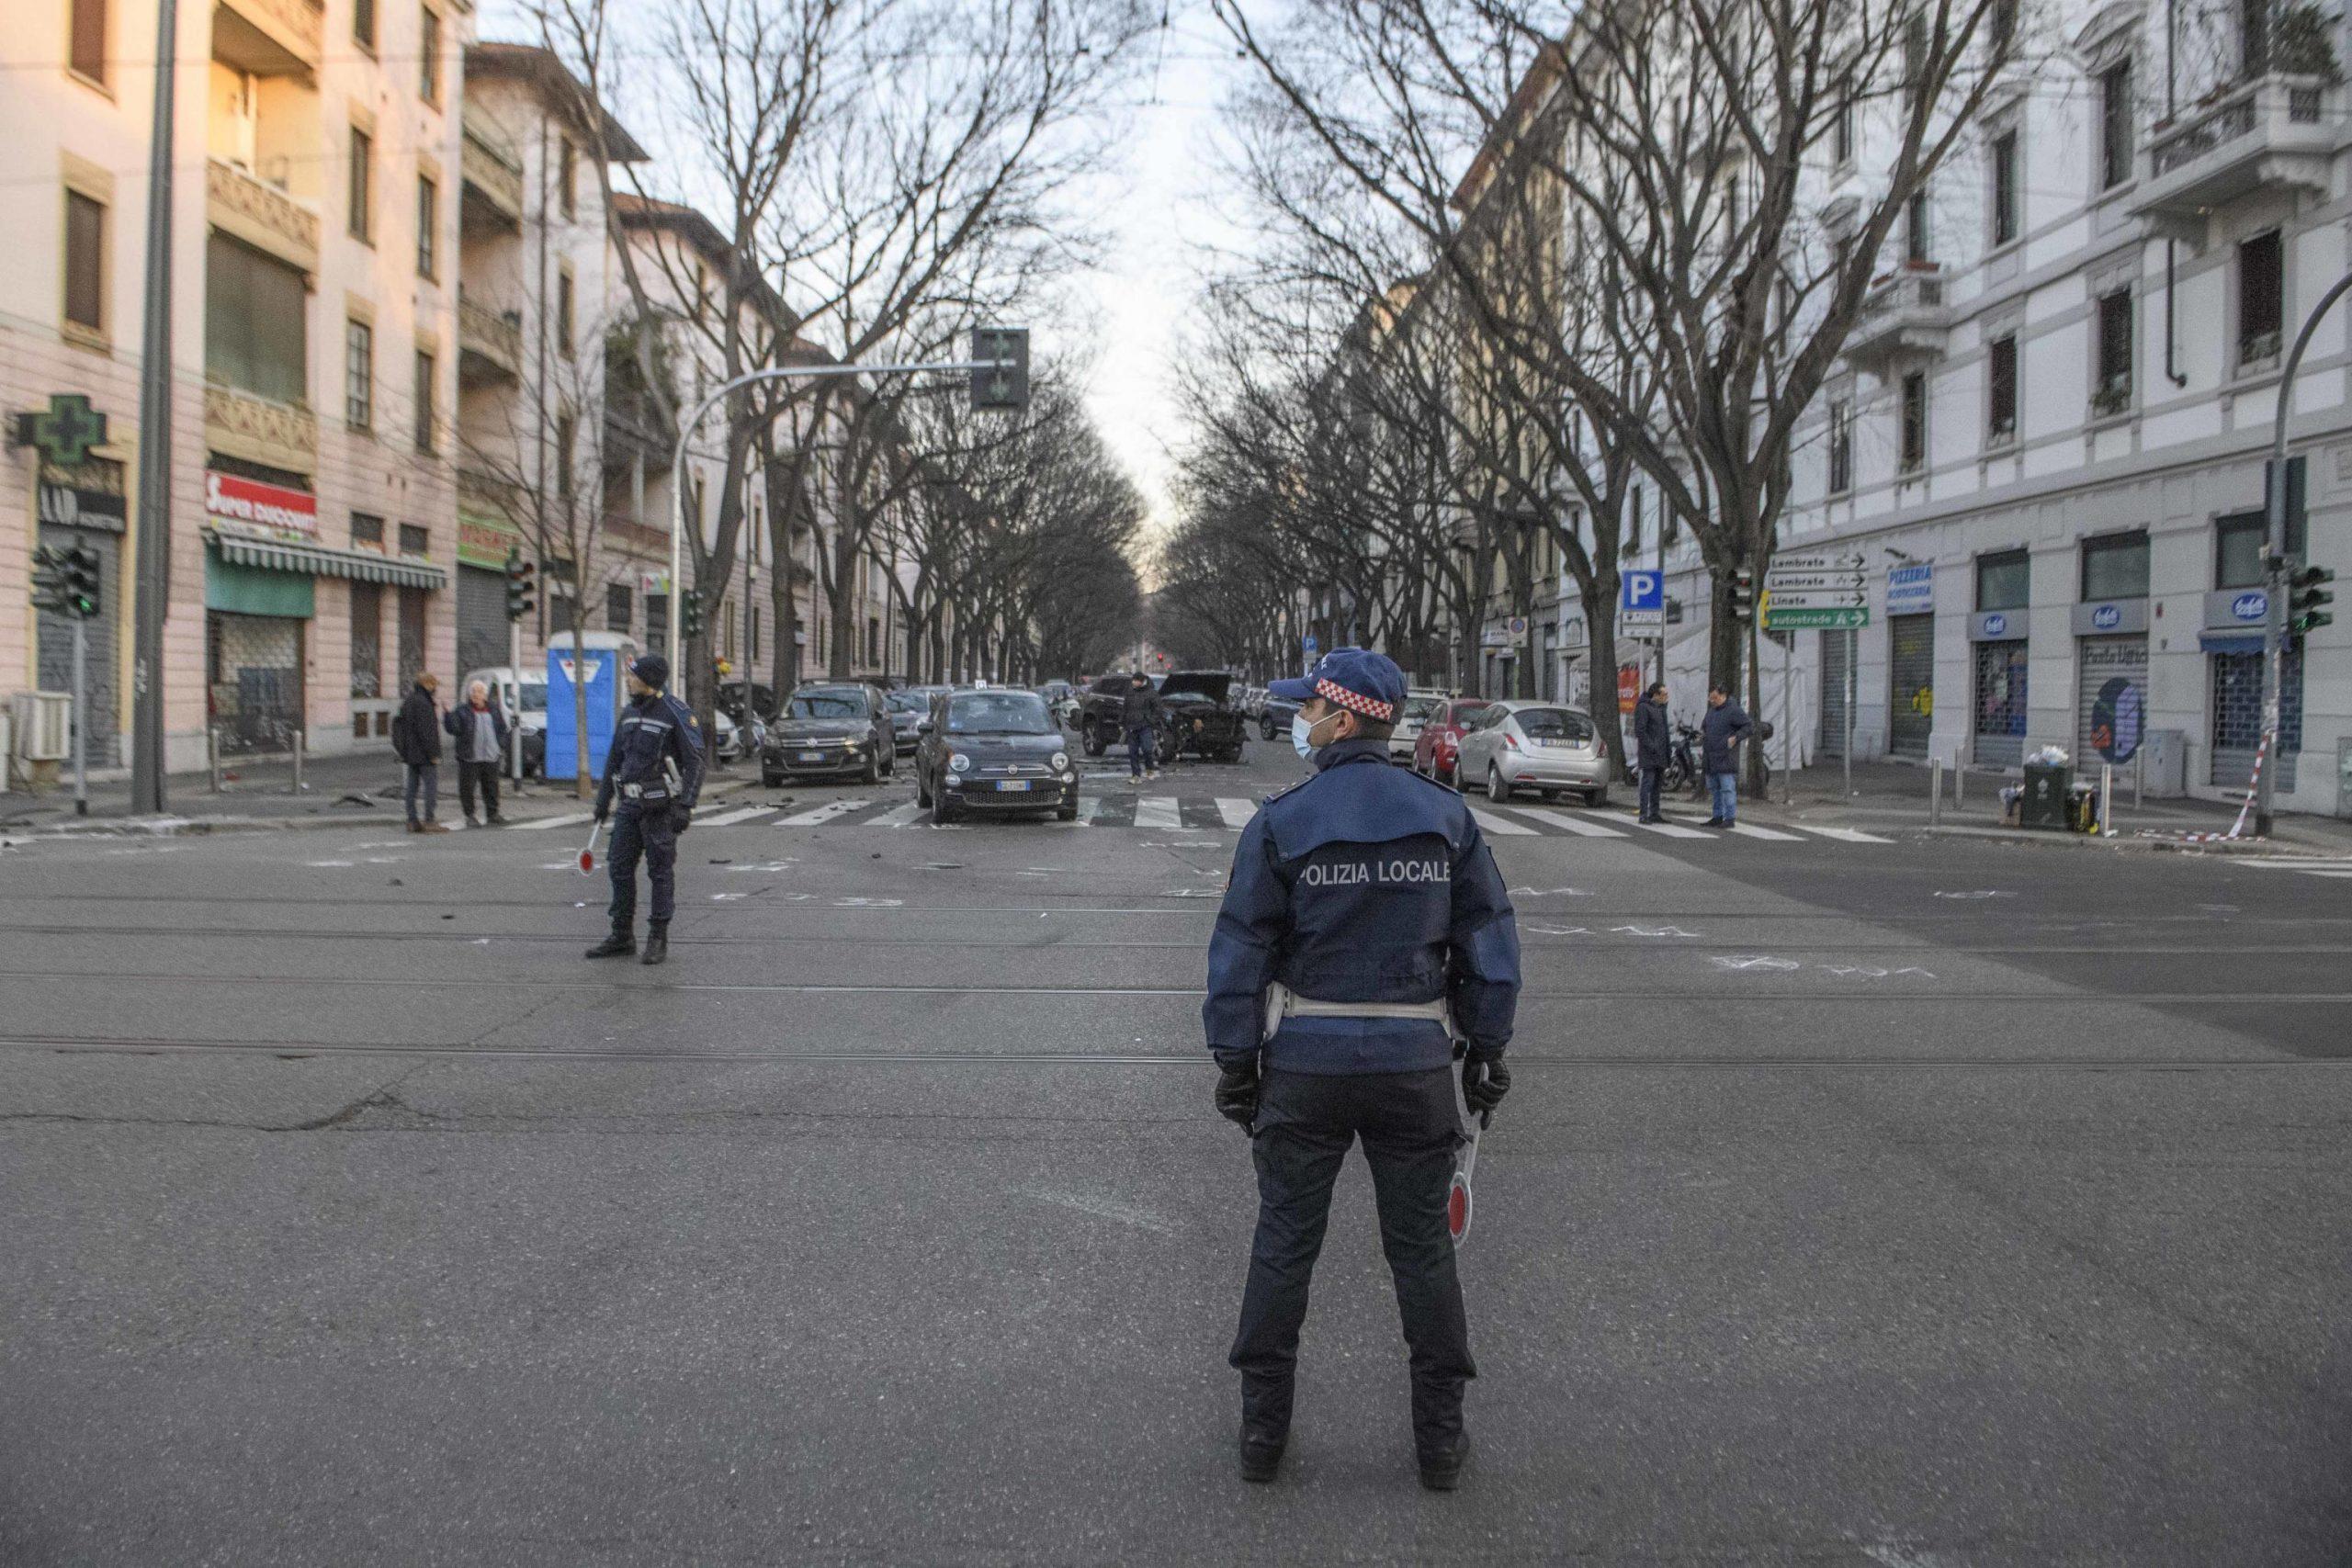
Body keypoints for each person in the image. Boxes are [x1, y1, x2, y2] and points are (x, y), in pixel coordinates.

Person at [1204, 647, 1521, 1492]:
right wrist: (1487, 1048)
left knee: (1283, 1245)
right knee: (1422, 1253)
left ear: (1343, 719)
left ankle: (1263, 1431)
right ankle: (1439, 1439)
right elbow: (1488, 944)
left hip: (1307, 1061)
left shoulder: (1284, 820)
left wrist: (1237, 1062)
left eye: (1310, 709)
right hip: (1413, 1064)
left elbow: (1241, 950)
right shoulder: (1445, 817)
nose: (1300, 721)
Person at [584, 654, 705, 966]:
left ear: (648, 681)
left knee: (659, 871)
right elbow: (615, 759)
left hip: (660, 808)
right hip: (629, 805)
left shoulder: (675, 713)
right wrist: (603, 801)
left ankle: (657, 937)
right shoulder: (629, 712)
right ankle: (621, 935)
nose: (628, 679)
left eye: (633, 675)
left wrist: (685, 805)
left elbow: (695, 761)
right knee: (619, 868)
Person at [443, 679, 512, 827]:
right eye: (473, 691)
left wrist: (501, 746)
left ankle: (492, 813)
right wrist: (448, 714)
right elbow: (453, 729)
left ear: (485, 695)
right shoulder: (462, 710)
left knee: (492, 786)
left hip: (491, 756)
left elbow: (502, 729)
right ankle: (470, 815)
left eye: (479, 692)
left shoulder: (493, 709)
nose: (476, 694)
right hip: (469, 757)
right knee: (467, 788)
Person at [391, 671, 448, 834]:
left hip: (410, 754)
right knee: (430, 787)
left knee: (412, 788)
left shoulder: (409, 701)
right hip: (424, 754)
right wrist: (434, 754)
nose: (436, 688)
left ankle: (412, 820)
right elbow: (427, 732)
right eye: (434, 685)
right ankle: (429, 820)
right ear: (427, 685)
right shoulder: (424, 703)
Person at [1700, 683, 1755, 828]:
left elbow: (1749, 726)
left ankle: (1730, 818)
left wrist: (1736, 737)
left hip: (1725, 756)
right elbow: (1705, 726)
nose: (1712, 701)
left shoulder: (1733, 710)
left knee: (1727, 788)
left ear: (1723, 696)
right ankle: (1717, 816)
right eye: (1710, 698)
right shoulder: (1711, 711)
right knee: (1714, 788)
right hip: (1711, 756)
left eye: (1715, 698)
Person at [1633, 681, 1670, 824]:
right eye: (1664, 694)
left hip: (1661, 752)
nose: (1666, 697)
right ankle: (1643, 814)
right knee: (1647, 783)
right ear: (1656, 695)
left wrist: (1666, 749)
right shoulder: (1644, 707)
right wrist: (1652, 746)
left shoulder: (1661, 708)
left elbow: (1664, 731)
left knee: (1657, 785)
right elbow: (1640, 731)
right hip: (1650, 753)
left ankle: (1655, 812)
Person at [1122, 671, 1164, 782]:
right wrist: (1121, 723)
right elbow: (1125, 708)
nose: (1134, 682)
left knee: (1147, 749)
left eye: (1136, 680)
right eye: (1133, 680)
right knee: (1132, 752)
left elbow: (1158, 709)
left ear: (1142, 681)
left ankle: (1149, 768)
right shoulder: (1130, 691)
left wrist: (1150, 720)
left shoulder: (1151, 693)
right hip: (1132, 725)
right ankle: (1136, 775)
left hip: (1145, 726)